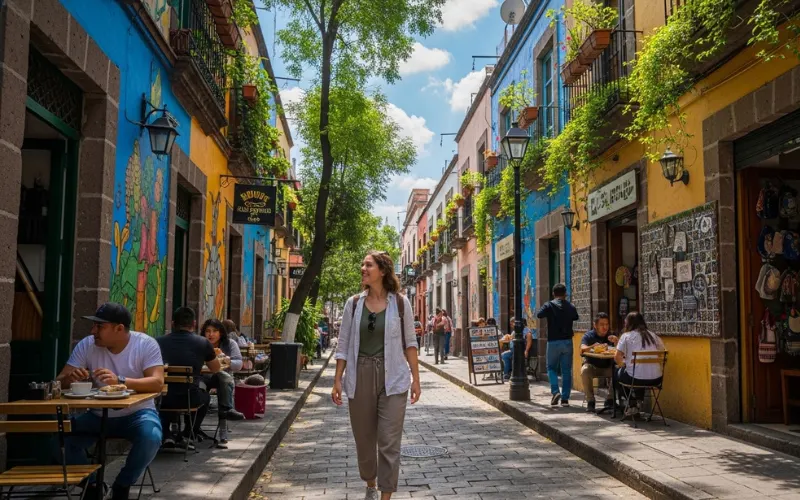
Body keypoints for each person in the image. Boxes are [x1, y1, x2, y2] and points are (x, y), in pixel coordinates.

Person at [331, 251, 421, 500]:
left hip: (394, 376)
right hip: (359, 375)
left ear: (382, 271)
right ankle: (370, 483)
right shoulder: (354, 304)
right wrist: (338, 379)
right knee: (364, 439)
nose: (363, 268)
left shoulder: (401, 303)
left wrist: (416, 379)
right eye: (362, 264)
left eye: (368, 265)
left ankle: (385, 496)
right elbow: (344, 343)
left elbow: (410, 343)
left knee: (389, 442)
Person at [56, 303, 164, 500]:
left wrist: (121, 381)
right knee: (58, 437)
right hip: (96, 415)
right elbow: (58, 382)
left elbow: (157, 382)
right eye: (94, 326)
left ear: (119, 328)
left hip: (137, 413)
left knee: (151, 437)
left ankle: (122, 485)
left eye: (100, 326)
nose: (93, 331)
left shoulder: (145, 344)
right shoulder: (87, 344)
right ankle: (93, 484)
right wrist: (70, 379)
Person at [157, 307, 221, 449]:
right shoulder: (203, 343)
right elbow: (216, 369)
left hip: (162, 399)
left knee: (167, 393)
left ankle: (166, 434)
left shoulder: (158, 342)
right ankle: (187, 433)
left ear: (173, 323)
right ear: (194, 323)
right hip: (190, 398)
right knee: (205, 397)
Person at [614, 312, 666, 417]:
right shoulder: (653, 336)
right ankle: (639, 401)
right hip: (656, 379)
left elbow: (616, 357)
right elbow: (662, 351)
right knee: (637, 371)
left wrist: (624, 364)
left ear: (629, 324)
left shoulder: (626, 336)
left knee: (617, 373)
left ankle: (632, 403)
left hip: (635, 378)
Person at [201, 319, 246, 437]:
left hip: (223, 379)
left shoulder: (230, 343)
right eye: (208, 331)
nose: (211, 334)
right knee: (198, 390)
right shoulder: (200, 343)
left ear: (221, 332)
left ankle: (223, 426)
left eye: (215, 331)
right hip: (203, 377)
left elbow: (239, 364)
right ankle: (193, 428)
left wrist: (228, 360)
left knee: (224, 379)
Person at [537, 283, 579, 407]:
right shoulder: (570, 306)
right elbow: (576, 317)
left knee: (551, 368)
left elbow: (539, 314)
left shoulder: (549, 305)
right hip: (567, 342)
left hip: (553, 341)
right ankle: (565, 399)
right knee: (566, 370)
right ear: (565, 294)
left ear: (553, 294)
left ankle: (555, 391)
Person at [580, 313, 618, 412]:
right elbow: (582, 349)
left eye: (607, 324)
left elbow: (620, 352)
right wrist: (592, 346)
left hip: (608, 367)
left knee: (619, 371)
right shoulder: (589, 335)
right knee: (585, 370)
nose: (605, 327)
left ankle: (610, 399)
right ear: (595, 325)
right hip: (593, 367)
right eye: (602, 325)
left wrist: (617, 342)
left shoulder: (611, 336)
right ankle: (591, 401)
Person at [501, 316, 535, 381]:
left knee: (505, 356)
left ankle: (507, 374)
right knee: (504, 355)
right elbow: (511, 338)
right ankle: (508, 372)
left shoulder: (526, 330)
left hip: (520, 351)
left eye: (512, 323)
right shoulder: (515, 330)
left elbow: (529, 340)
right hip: (513, 350)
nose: (511, 325)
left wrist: (526, 351)